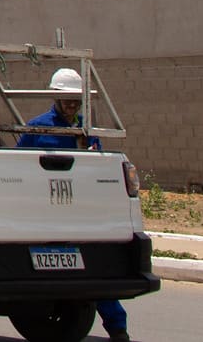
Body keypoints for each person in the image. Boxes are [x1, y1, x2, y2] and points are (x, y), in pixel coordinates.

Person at [19, 69, 128, 342]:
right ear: (56, 97)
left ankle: (118, 329)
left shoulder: (86, 131)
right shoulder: (37, 127)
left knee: (95, 272)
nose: (71, 105)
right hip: (45, 214)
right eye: (67, 100)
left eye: (76, 100)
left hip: (79, 213)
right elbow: (19, 164)